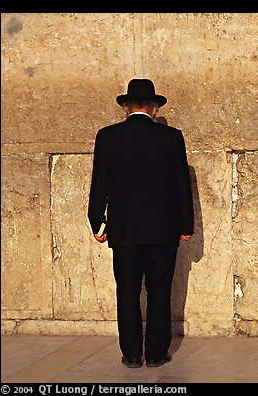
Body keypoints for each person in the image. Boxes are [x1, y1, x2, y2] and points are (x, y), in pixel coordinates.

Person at [87, 78, 194, 368]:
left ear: (125, 107)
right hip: (163, 230)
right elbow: (181, 186)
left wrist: (98, 222)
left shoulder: (107, 137)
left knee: (127, 291)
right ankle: (157, 353)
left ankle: (132, 355)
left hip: (124, 231)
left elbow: (99, 185)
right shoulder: (172, 138)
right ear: (154, 109)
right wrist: (186, 225)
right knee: (160, 291)